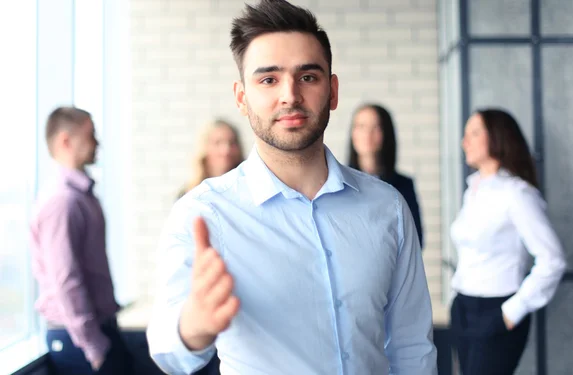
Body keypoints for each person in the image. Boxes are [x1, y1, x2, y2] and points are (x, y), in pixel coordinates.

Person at [147, 0, 437, 374]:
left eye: (308, 77)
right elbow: (168, 352)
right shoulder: (203, 213)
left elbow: (412, 345)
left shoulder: (388, 207)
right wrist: (194, 326)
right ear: (241, 97)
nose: (290, 95)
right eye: (268, 79)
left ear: (332, 91)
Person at [450, 108, 567, 375]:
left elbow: (553, 260)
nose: (464, 141)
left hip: (496, 310)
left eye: (474, 133)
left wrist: (510, 312)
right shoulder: (474, 188)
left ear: (498, 137)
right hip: (463, 308)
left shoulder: (517, 194)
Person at [30, 107, 133, 375]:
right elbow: (66, 280)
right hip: (81, 342)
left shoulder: (80, 195)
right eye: (90, 135)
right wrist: (94, 348)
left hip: (94, 334)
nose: (97, 143)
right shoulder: (63, 201)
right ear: (65, 141)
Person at [348, 103, 424, 248]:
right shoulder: (338, 183)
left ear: (386, 133)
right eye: (361, 126)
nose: (368, 134)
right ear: (353, 134)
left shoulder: (403, 185)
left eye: (376, 127)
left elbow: (416, 240)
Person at [177, 119, 244, 199]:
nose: (226, 150)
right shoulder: (188, 194)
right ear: (204, 148)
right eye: (217, 143)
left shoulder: (249, 188)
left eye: (232, 143)